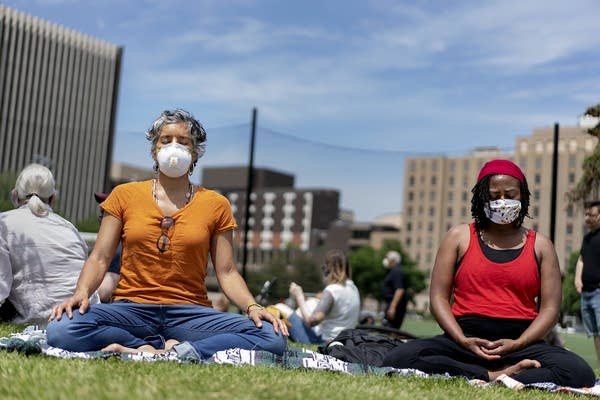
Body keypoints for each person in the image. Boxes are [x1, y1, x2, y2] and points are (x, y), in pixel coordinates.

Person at [46, 109, 287, 360]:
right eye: (165, 140)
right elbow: (99, 257)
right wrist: (81, 293)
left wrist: (253, 306)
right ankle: (141, 346)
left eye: (183, 142)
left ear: (195, 154)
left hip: (191, 314)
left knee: (272, 336)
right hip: (131, 310)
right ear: (154, 150)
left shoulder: (216, 204)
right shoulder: (123, 195)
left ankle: (182, 350)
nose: (174, 146)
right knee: (61, 328)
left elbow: (227, 272)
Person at [382, 159, 595, 387]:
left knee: (579, 372)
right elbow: (438, 298)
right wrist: (462, 340)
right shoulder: (459, 237)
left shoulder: (541, 245)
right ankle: (494, 376)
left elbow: (550, 308)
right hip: (464, 341)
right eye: (494, 196)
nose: (502, 201)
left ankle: (490, 372)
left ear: (522, 196)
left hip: (521, 343)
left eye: (510, 194)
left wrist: (519, 343)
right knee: (400, 358)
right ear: (481, 197)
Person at [0, 163, 87, 324]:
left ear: (14, 195)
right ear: (53, 198)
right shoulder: (70, 228)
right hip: (83, 314)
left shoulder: (3, 223)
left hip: (40, 319)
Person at [286, 249, 360, 344]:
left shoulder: (332, 290)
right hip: (345, 341)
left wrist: (299, 295)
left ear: (330, 268)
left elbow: (311, 322)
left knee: (281, 308)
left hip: (324, 341)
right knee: (312, 303)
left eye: (325, 266)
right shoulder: (353, 287)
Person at [575, 200, 600, 366]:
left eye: (591, 215)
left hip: (599, 292)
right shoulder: (587, 238)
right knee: (595, 333)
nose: (587, 218)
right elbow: (581, 259)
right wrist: (577, 279)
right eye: (586, 215)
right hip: (587, 293)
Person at [93, 191, 121, 303]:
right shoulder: (111, 243)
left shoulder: (118, 248)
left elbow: (105, 290)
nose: (101, 216)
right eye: (102, 212)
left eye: (107, 213)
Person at [381, 250, 409, 329]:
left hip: (396, 307)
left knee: (390, 330)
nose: (385, 260)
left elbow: (399, 289)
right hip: (392, 305)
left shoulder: (397, 272)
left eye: (387, 258)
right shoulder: (394, 271)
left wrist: (393, 307)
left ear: (393, 260)